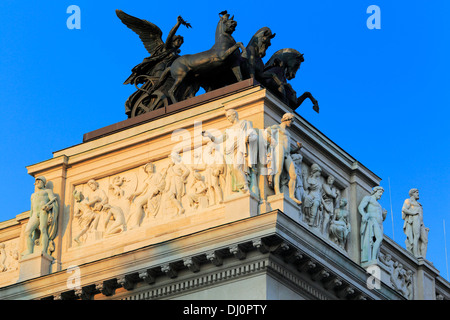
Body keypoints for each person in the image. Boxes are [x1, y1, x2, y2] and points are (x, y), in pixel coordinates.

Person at [203, 109, 258, 195]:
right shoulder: (228, 130)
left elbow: (254, 135)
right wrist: (210, 135)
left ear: (234, 115)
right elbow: (218, 140)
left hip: (241, 148)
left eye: (229, 116)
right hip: (231, 152)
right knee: (234, 169)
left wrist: (248, 138)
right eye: (227, 117)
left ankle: (245, 186)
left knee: (237, 167)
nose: (228, 118)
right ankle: (242, 186)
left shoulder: (244, 123)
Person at [265, 113, 302, 205]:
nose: (292, 123)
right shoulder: (277, 127)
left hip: (287, 153)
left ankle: (291, 196)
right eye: (291, 121)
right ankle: (277, 191)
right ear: (287, 119)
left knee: (293, 175)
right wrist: (271, 140)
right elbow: (266, 132)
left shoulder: (288, 133)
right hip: (279, 148)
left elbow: (289, 149)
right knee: (278, 171)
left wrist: (297, 148)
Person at [22, 176, 59, 256]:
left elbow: (53, 201)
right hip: (35, 214)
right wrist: (30, 217)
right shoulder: (33, 195)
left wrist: (48, 207)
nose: (38, 183)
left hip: (43, 212)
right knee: (27, 232)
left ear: (43, 183)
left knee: (43, 230)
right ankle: (30, 250)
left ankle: (44, 250)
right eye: (37, 182)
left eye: (39, 181)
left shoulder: (47, 191)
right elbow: (32, 209)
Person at [127, 163, 166, 229]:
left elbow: (163, 182)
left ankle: (136, 224)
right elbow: (141, 190)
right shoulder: (147, 179)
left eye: (151, 166)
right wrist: (132, 194)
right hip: (149, 192)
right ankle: (135, 223)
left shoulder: (157, 175)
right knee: (137, 201)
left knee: (139, 202)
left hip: (154, 191)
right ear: (146, 170)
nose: (150, 168)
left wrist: (157, 189)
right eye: (148, 167)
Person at [358, 186, 387, 264]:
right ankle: (373, 259)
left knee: (378, 241)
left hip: (379, 224)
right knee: (379, 238)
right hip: (372, 221)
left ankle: (374, 257)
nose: (381, 195)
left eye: (382, 193)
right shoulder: (368, 198)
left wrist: (384, 215)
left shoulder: (379, 205)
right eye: (380, 192)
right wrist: (364, 214)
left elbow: (381, 217)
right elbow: (361, 207)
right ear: (375, 191)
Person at [402, 188, 428, 258]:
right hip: (415, 220)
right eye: (416, 192)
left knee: (425, 240)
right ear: (412, 193)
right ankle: (416, 255)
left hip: (421, 223)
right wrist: (413, 213)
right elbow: (404, 209)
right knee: (416, 237)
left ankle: (423, 257)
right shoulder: (409, 201)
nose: (418, 194)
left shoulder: (419, 204)